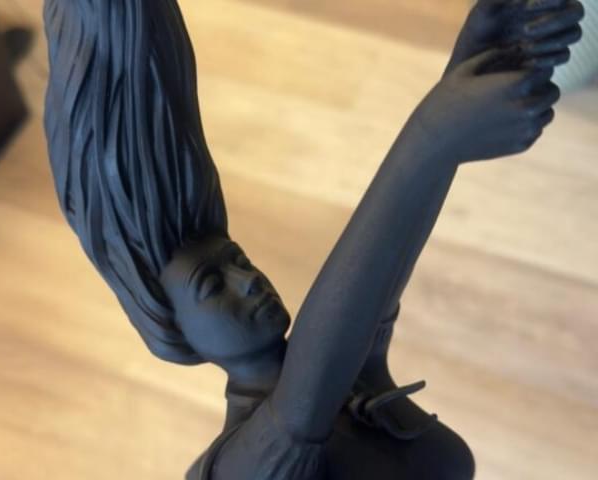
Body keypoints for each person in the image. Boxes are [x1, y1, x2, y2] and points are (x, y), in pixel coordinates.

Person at [42, 0, 584, 478]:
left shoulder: (341, 381)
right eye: (213, 285)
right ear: (173, 328)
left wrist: (473, 62)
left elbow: (376, 277)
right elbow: (312, 383)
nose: (247, 280)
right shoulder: (243, 468)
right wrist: (432, 136)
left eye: (236, 259)